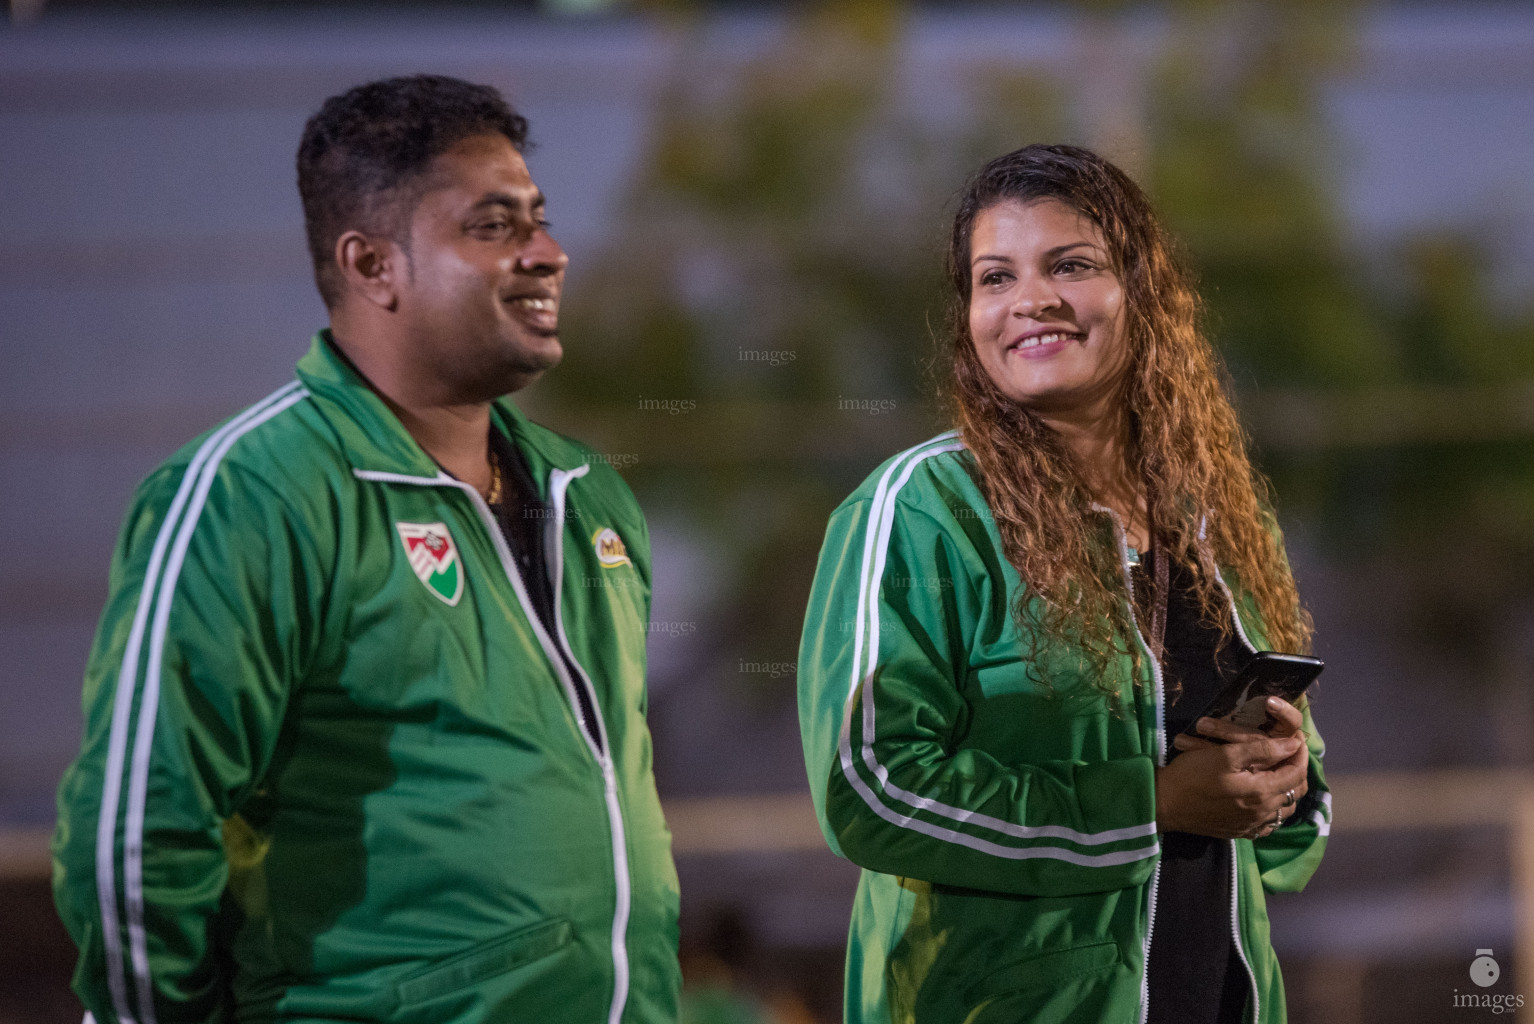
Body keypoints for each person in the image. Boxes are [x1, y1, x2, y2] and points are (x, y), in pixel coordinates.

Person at [52, 75, 680, 1024]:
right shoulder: (252, 493)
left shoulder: (585, 492)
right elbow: (139, 831)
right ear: (372, 264)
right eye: (494, 226)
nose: (547, 254)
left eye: (539, 221)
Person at [797, 144, 1330, 1024]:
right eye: (994, 277)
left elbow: (1298, 806)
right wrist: (1150, 806)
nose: (1029, 300)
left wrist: (1281, 782)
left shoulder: (1224, 519)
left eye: (1070, 266)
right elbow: (873, 787)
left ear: (1144, 294)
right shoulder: (923, 508)